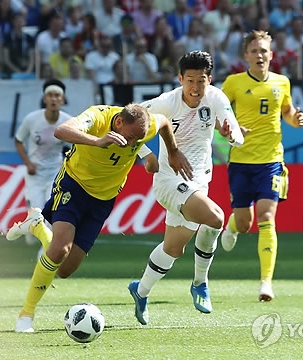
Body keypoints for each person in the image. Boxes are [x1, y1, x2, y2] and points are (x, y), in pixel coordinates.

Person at [6, 103, 192, 333]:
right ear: (119, 123)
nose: (133, 144)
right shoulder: (97, 117)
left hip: (103, 200)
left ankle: (37, 226)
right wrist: (97, 140)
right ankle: (26, 314)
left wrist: (170, 152)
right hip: (73, 186)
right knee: (59, 250)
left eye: (139, 140)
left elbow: (163, 122)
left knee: (64, 270)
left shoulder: (146, 125)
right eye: (131, 138)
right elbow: (61, 131)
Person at [127, 50, 244, 325]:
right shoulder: (166, 103)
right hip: (169, 181)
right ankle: (200, 283)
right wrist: (148, 155)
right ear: (180, 79)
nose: (195, 87)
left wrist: (231, 135)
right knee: (216, 219)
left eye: (201, 81)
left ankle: (140, 291)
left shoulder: (216, 98)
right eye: (190, 80)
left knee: (173, 248)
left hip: (199, 181)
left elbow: (236, 132)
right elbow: (124, 123)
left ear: (209, 80)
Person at [220, 30, 303, 302]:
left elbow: (288, 112)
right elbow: (216, 115)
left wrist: (295, 119)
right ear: (245, 55)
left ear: (271, 54)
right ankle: (232, 227)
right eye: (254, 50)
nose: (260, 55)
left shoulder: (282, 82)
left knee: (267, 218)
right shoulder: (233, 83)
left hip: (271, 162)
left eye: (264, 50)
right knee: (245, 223)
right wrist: (230, 129)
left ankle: (266, 283)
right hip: (241, 162)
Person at [12, 79, 72, 247]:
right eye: (50, 95)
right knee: (36, 212)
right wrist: (28, 163)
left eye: (57, 96)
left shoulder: (69, 121)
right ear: (45, 99)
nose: (53, 99)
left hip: (55, 173)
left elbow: (77, 145)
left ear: (63, 100)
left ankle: (48, 250)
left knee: (52, 211)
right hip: (35, 174)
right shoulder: (32, 119)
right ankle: (30, 226)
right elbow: (18, 140)